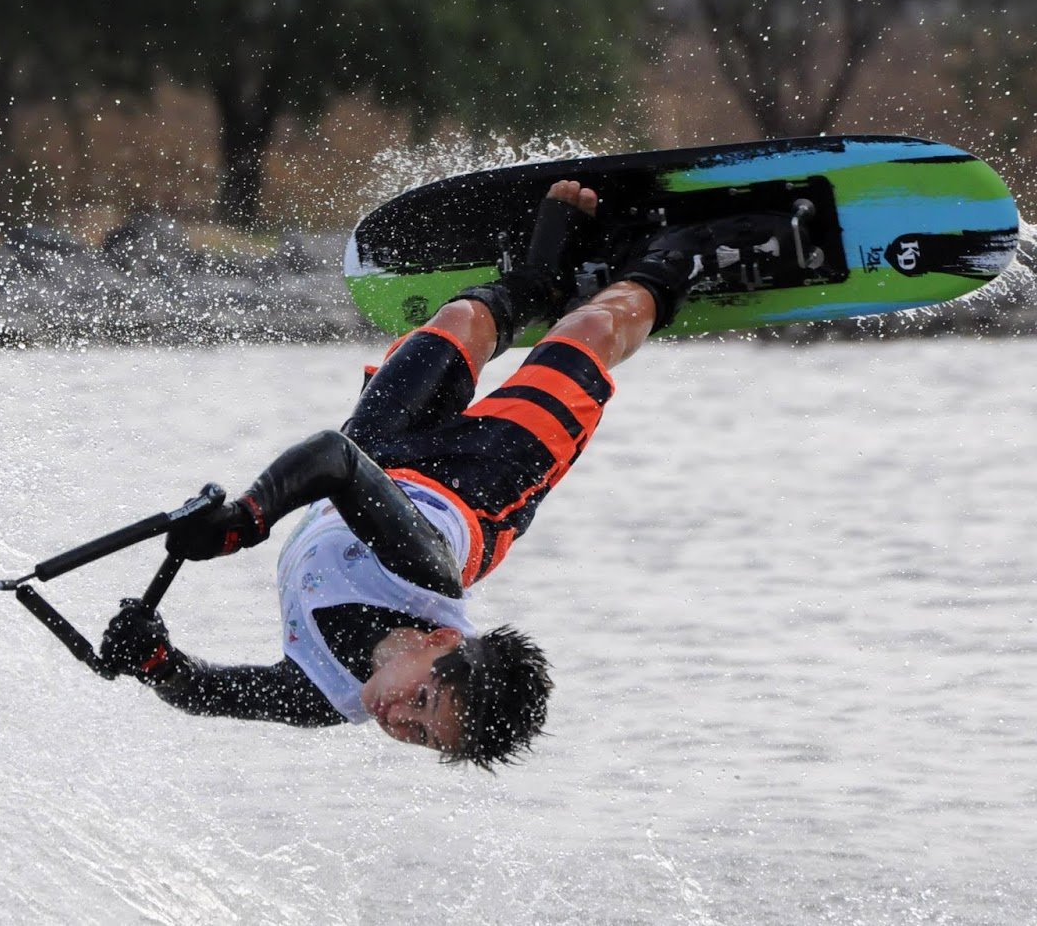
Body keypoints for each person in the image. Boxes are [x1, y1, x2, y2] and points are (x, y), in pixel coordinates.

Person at [99, 180, 806, 770]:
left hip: (379, 455)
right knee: (583, 338)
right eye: (422, 705)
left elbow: (207, 694)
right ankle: (671, 262)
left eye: (420, 736)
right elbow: (328, 459)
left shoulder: (329, 694)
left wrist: (155, 660)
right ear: (441, 641)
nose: (396, 722)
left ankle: (535, 281)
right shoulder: (420, 572)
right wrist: (246, 522)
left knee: (461, 317)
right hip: (489, 477)